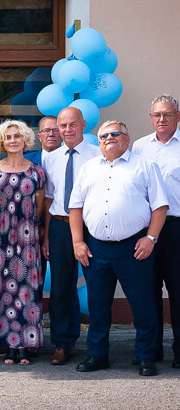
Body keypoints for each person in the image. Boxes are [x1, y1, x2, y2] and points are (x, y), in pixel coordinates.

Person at [70, 120, 168, 377]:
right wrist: (78, 242)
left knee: (142, 304)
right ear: (99, 141)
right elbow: (76, 208)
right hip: (96, 248)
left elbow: (160, 207)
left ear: (127, 139)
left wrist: (151, 238)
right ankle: (97, 355)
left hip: (134, 247)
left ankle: (145, 356)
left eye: (116, 134)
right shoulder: (88, 168)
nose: (109, 138)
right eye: (104, 135)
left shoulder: (145, 166)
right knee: (98, 304)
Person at [41, 107, 101, 366]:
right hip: (60, 226)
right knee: (61, 288)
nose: (67, 130)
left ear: (83, 124)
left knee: (98, 285)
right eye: (62, 126)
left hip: (92, 227)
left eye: (72, 124)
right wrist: (45, 235)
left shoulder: (99, 156)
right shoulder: (50, 159)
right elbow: (49, 199)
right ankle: (63, 344)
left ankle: (98, 346)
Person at [0, 121, 46, 365]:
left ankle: (24, 345)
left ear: (25, 140)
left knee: (26, 291)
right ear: (2, 141)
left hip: (27, 238)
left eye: (17, 136)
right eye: (8, 137)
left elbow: (41, 206)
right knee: (1, 290)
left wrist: (30, 228)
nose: (13, 140)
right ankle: (6, 344)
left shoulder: (36, 171)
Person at [133, 94, 180, 369]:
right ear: (151, 118)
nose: (162, 119)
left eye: (168, 114)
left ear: (177, 116)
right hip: (146, 230)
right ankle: (151, 351)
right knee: (147, 292)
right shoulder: (139, 147)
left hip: (175, 228)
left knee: (177, 292)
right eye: (157, 115)